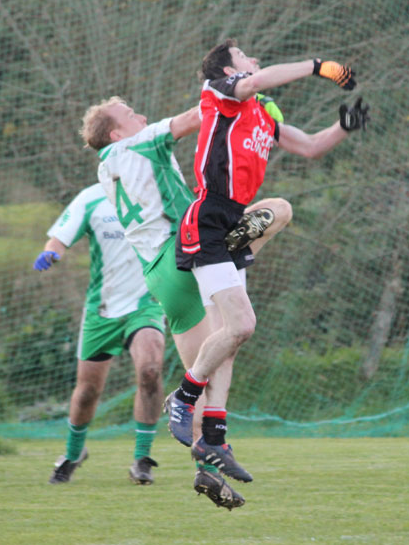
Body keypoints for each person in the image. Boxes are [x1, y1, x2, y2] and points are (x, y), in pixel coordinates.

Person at [80, 95, 287, 509]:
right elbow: (201, 114)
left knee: (216, 357)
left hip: (161, 277)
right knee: (278, 210)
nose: (142, 114)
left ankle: (207, 469)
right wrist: (244, 92)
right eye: (130, 113)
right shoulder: (138, 143)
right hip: (183, 251)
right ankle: (234, 251)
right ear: (116, 132)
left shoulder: (109, 166)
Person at [170, 38, 369, 464]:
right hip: (206, 220)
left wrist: (344, 128)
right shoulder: (218, 92)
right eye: (243, 57)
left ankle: (214, 438)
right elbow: (258, 79)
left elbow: (311, 146)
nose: (252, 59)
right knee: (242, 325)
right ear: (228, 71)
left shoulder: (260, 115)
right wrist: (319, 66)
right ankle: (184, 396)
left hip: (231, 224)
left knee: (232, 334)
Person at [33, 182, 166, 486]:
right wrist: (51, 254)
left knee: (150, 370)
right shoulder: (91, 197)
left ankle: (142, 459)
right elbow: (59, 238)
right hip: (101, 310)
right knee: (87, 392)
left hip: (146, 304)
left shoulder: (161, 190)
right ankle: (73, 453)